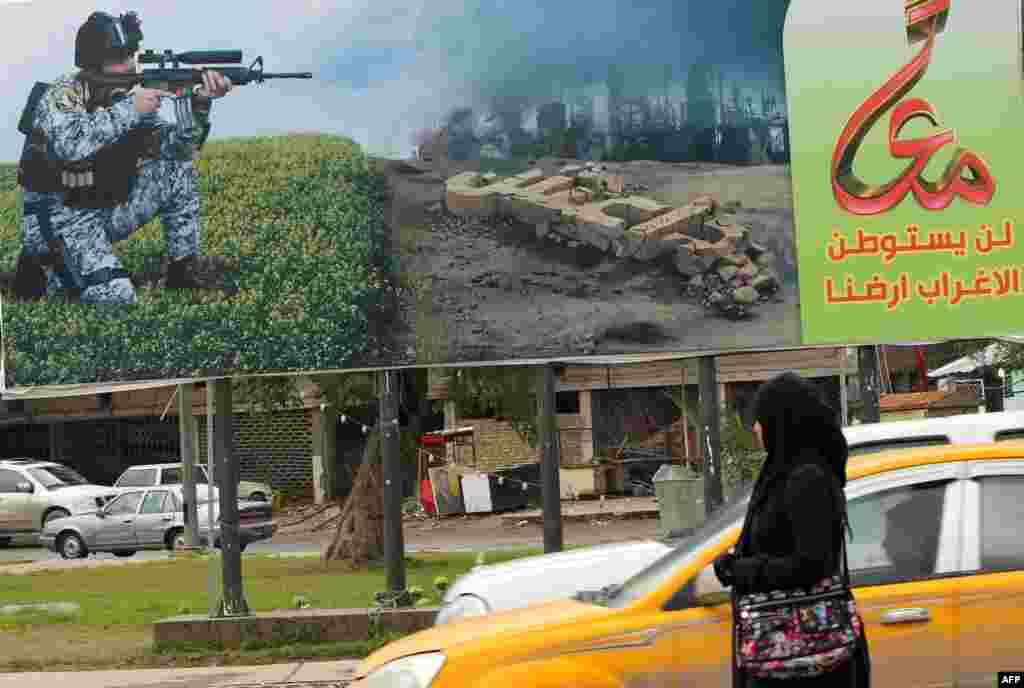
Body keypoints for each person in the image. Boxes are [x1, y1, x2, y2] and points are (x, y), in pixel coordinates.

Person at [13, 10, 236, 305]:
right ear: (94, 64)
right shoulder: (62, 95)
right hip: (57, 217)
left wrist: (198, 106)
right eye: (119, 56)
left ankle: (184, 270)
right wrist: (132, 109)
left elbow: (178, 150)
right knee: (117, 298)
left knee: (177, 170)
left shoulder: (124, 95)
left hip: (101, 208)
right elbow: (71, 145)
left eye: (131, 53)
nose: (130, 63)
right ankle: (40, 268)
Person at [712, 372, 871, 688]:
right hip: (783, 652)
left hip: (807, 661)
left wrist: (742, 569)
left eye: (761, 418)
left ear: (782, 421)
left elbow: (811, 564)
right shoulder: (783, 471)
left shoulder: (806, 479)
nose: (756, 427)